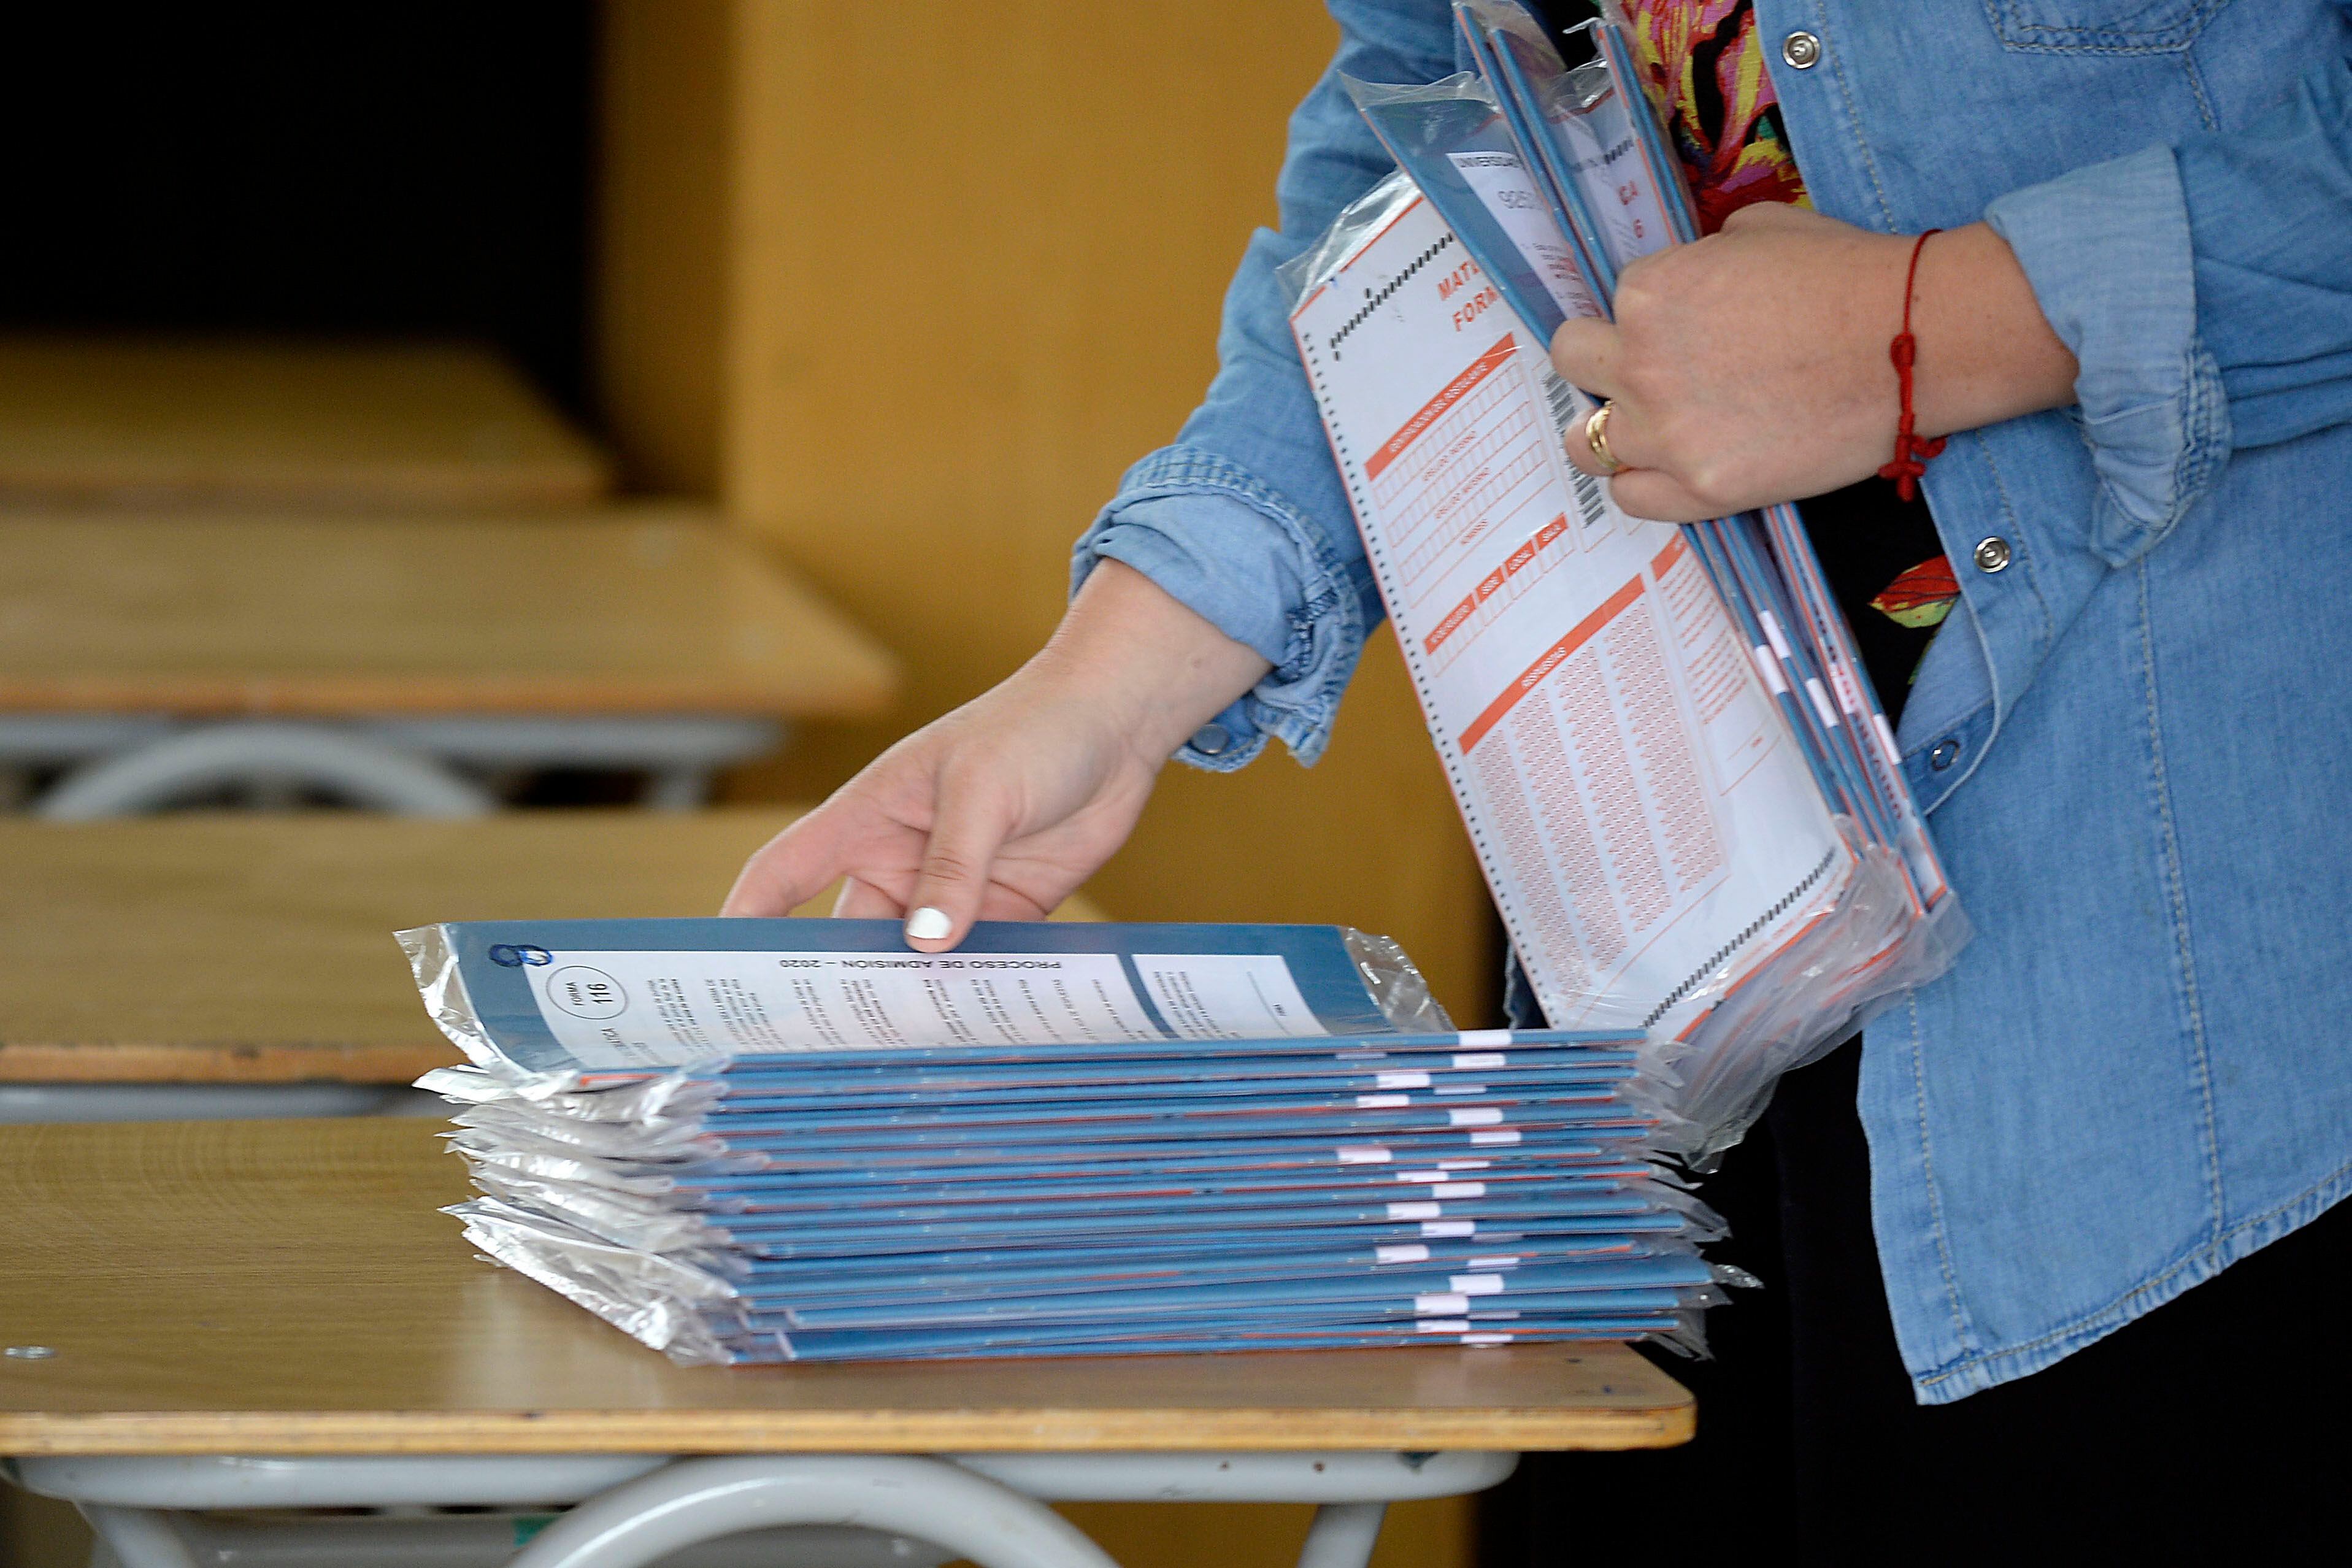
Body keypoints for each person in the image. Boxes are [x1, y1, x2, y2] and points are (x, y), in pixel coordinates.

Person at [727, 1, 2352, 1554]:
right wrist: (1117, 669)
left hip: (2172, 989)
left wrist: (1935, 325)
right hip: (1652, 973)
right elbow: (1425, 103)